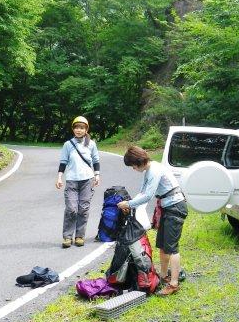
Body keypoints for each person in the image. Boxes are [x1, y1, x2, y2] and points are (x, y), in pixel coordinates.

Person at [117, 146, 188, 296]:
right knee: (162, 245)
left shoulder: (154, 170)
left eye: (133, 166)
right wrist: (130, 204)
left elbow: (148, 195)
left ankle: (174, 284)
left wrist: (129, 204)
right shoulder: (148, 171)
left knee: (172, 248)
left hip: (175, 207)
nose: (133, 169)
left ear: (138, 162)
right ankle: (164, 276)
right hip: (167, 207)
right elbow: (142, 192)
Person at [56, 116, 100, 248]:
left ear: (86, 129)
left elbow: (96, 160)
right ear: (73, 129)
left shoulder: (91, 144)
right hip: (71, 180)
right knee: (71, 209)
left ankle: (80, 236)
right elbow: (63, 162)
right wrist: (59, 177)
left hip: (87, 180)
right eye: (76, 127)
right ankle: (67, 237)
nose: (79, 130)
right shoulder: (68, 144)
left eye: (82, 128)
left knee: (83, 209)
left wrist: (97, 175)